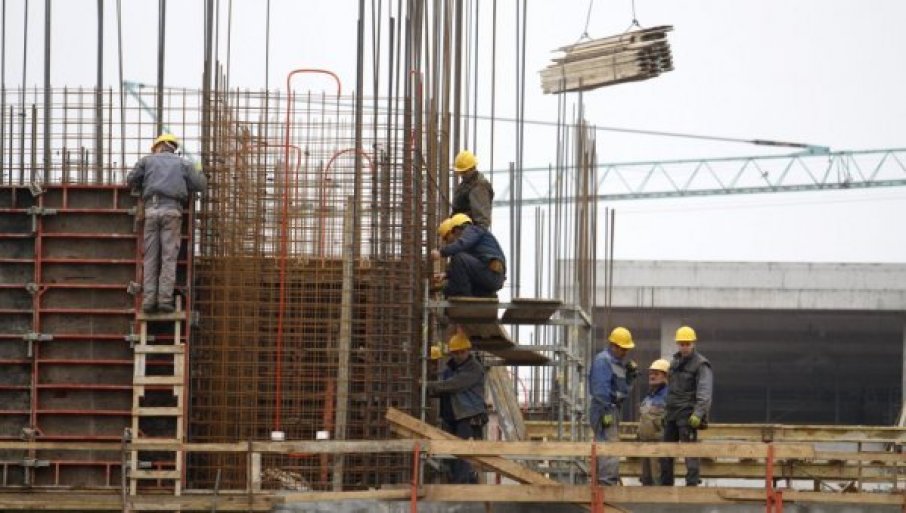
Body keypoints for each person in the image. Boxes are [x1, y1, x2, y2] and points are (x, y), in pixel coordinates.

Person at [127, 134, 207, 313]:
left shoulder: (147, 161)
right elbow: (200, 184)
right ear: (172, 147)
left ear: (159, 145)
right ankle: (164, 300)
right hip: (172, 211)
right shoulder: (184, 164)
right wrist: (198, 168)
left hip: (151, 211)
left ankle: (148, 301)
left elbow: (131, 180)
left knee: (150, 257)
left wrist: (145, 182)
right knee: (168, 257)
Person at [426, 332, 488, 484]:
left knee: (462, 455)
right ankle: (458, 484)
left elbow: (454, 385)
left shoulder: (474, 368)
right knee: (452, 455)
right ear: (451, 353)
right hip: (452, 418)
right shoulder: (451, 369)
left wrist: (427, 386)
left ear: (468, 351)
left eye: (462, 351)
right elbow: (445, 390)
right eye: (456, 352)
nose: (459, 355)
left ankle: (461, 489)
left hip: (467, 418)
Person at [660, 325, 713, 487]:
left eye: (687, 344)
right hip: (672, 413)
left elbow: (705, 391)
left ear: (693, 344)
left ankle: (691, 485)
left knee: (690, 452)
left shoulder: (701, 364)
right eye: (681, 344)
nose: (684, 347)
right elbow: (670, 390)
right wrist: (665, 411)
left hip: (687, 415)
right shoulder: (675, 362)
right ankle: (666, 485)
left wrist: (698, 413)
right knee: (666, 452)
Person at [588, 326, 639, 485]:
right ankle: (606, 484)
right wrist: (605, 412)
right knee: (609, 446)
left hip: (612, 408)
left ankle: (602, 481)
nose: (625, 352)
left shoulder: (617, 364)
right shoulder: (603, 361)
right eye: (623, 349)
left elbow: (623, 392)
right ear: (614, 346)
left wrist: (630, 376)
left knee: (607, 443)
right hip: (605, 409)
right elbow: (600, 389)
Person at [430, 213, 505, 298]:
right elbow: (471, 266)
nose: (448, 242)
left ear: (456, 229)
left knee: (459, 258)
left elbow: (462, 244)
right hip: (490, 276)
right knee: (451, 286)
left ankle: (461, 296)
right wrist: (446, 275)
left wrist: (441, 253)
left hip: (492, 275)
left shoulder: (473, 230)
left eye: (447, 237)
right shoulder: (472, 242)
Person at [638, 358, 670, 486]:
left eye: (656, 373)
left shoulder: (669, 396)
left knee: (658, 479)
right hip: (644, 444)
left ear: (666, 376)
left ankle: (661, 505)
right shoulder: (649, 397)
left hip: (659, 446)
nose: (652, 376)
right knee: (646, 479)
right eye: (651, 373)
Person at [451, 150, 494, 229]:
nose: (462, 175)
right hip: (463, 231)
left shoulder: (479, 187)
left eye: (464, 172)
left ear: (472, 168)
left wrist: (470, 239)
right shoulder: (467, 184)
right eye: (460, 172)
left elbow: (482, 222)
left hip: (469, 233)